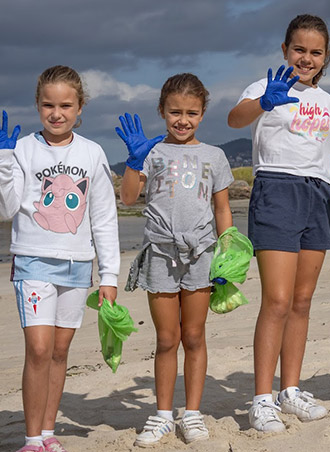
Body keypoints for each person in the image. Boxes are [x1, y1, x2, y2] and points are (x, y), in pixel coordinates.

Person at [227, 14, 330, 433]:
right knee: (277, 300)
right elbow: (235, 119)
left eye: (315, 52)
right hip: (277, 189)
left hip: (319, 195)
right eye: (299, 49)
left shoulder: (326, 102)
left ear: (326, 58)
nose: (306, 58)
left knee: (302, 302)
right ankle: (262, 399)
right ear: (285, 50)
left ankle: (290, 391)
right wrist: (265, 101)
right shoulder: (264, 87)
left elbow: (323, 154)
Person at [0, 65, 120, 452]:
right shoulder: (22, 148)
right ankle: (31, 438)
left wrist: (109, 275)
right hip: (33, 261)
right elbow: (5, 209)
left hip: (77, 266)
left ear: (80, 107)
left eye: (65, 105)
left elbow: (103, 217)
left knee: (59, 352)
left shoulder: (92, 152)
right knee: (38, 350)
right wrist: (2, 158)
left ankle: (48, 433)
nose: (57, 113)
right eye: (48, 105)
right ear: (38, 106)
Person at [118, 73, 234, 446]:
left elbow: (222, 208)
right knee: (167, 338)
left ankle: (193, 414)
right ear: (162, 111)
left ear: (202, 114)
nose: (183, 120)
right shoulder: (151, 153)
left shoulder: (214, 156)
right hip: (161, 253)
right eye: (174, 112)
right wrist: (134, 162)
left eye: (191, 113)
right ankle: (163, 415)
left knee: (194, 335)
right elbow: (129, 198)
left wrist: (227, 251)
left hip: (201, 253)